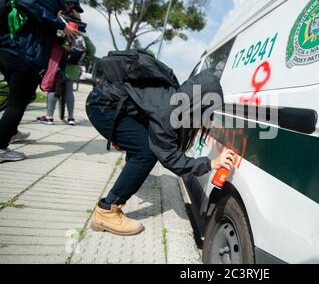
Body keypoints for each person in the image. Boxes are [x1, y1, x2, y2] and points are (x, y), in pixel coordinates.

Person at [86, 53, 235, 236]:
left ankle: (129, 175)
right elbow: (169, 157)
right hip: (101, 106)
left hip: (108, 100)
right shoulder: (169, 110)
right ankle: (106, 211)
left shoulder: (177, 97)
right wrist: (211, 163)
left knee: (142, 146)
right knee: (147, 152)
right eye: (207, 111)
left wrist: (125, 136)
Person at [0, 0, 83, 163]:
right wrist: (61, 25)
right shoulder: (38, 2)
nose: (69, 8)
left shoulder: (48, 9)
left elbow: (40, 30)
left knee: (25, 97)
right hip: (22, 58)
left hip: (13, 55)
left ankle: (11, 131)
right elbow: (29, 7)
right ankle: (1, 147)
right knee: (17, 102)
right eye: (69, 3)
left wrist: (62, 39)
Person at [37, 12, 96, 126]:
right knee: (69, 91)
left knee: (52, 88)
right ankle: (71, 118)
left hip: (57, 62)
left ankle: (49, 117)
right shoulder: (81, 31)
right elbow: (92, 50)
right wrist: (85, 56)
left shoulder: (61, 25)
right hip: (73, 67)